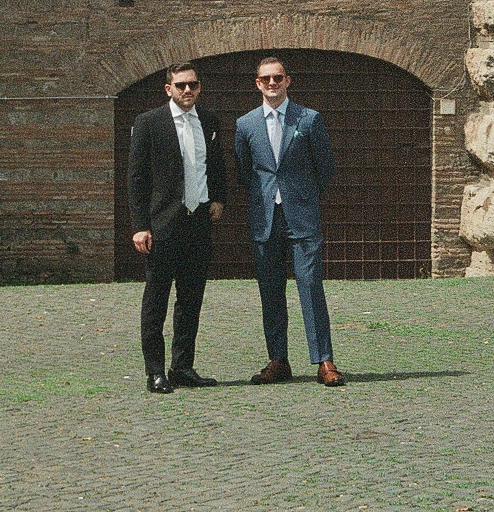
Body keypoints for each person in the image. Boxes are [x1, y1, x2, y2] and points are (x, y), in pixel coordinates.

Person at [234, 53, 345, 387]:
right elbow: (245, 172)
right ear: (258, 83)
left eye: (278, 78)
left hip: (302, 217)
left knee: (310, 285)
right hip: (265, 219)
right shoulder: (246, 124)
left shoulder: (308, 119)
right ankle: (278, 360)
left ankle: (324, 360)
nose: (272, 83)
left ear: (287, 81)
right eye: (266, 78)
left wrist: (303, 196)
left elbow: (325, 167)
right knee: (270, 290)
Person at [127, 62, 226, 393]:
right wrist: (140, 226)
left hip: (197, 223)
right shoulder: (149, 123)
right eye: (181, 85)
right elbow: (137, 178)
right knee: (156, 299)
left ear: (199, 87)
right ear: (168, 89)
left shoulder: (208, 120)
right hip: (163, 225)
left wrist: (218, 198)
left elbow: (216, 164)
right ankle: (155, 372)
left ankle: (182, 367)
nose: (187, 90)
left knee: (191, 299)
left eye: (193, 85)